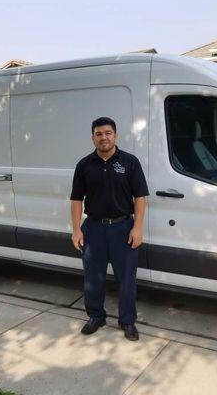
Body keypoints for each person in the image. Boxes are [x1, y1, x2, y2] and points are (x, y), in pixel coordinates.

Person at [70, 116, 149, 341]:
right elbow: (76, 200)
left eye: (107, 133)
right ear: (93, 137)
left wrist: (137, 228)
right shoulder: (84, 165)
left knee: (127, 280)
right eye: (98, 134)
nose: (103, 137)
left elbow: (140, 197)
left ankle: (127, 321)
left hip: (123, 228)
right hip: (93, 229)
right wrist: (76, 230)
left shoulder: (129, 162)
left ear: (115, 135)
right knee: (93, 278)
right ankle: (96, 316)